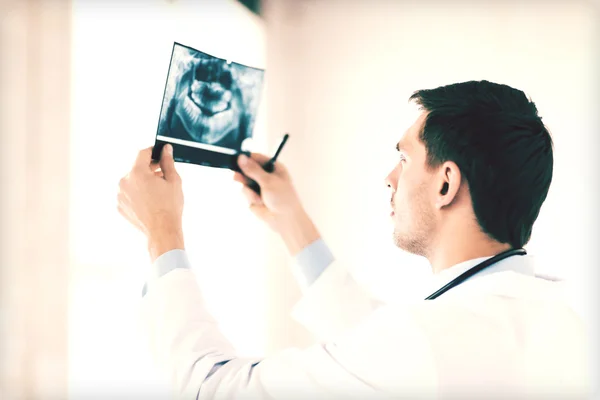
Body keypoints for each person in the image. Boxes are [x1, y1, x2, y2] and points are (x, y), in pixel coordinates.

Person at [117, 80, 589, 399]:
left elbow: (214, 388)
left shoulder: (422, 342)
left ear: (446, 183)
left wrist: (163, 234)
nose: (389, 178)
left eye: (403, 159)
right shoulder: (563, 325)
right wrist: (291, 221)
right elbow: (379, 345)